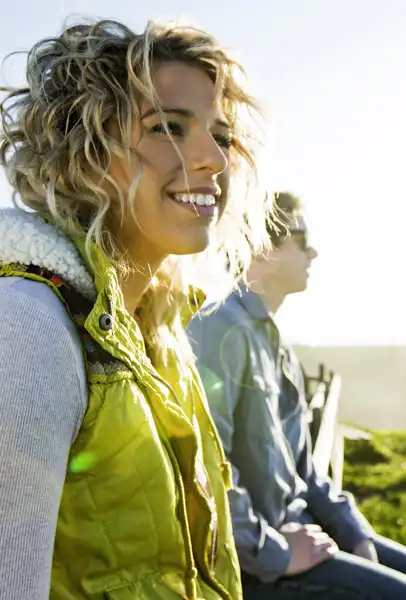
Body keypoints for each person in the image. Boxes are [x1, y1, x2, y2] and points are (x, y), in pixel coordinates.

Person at [0, 18, 271, 599]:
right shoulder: (25, 326)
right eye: (169, 128)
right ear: (85, 153)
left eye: (220, 136)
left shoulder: (159, 332)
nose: (213, 162)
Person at [188, 191, 406, 599]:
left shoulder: (274, 341)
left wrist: (353, 531)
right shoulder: (219, 328)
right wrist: (276, 554)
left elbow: (307, 471)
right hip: (255, 563)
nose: (314, 252)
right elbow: (207, 469)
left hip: (298, 527)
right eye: (301, 239)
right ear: (260, 248)